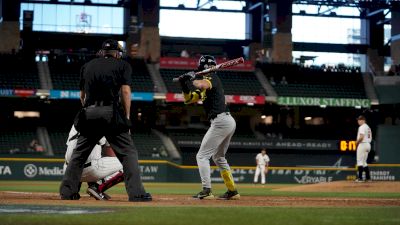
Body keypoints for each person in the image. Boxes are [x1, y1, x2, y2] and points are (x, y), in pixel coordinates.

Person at [59, 39, 151, 201]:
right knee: (128, 153)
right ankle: (137, 194)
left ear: (102, 52)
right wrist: (127, 116)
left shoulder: (87, 66)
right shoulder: (123, 65)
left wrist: (88, 110)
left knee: (79, 155)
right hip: (110, 113)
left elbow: (82, 96)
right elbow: (126, 92)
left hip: (89, 113)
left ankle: (67, 192)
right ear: (116, 53)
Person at [177, 55, 240, 200]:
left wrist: (192, 78)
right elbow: (189, 99)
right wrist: (183, 84)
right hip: (226, 121)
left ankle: (206, 190)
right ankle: (232, 190)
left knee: (202, 156)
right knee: (219, 157)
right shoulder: (207, 81)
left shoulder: (212, 78)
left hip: (221, 121)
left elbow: (202, 84)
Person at [63, 125, 124, 200]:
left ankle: (72, 189)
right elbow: (110, 155)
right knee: (127, 164)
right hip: (89, 170)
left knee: (81, 154)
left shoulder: (76, 123)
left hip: (68, 170)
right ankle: (96, 187)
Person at [355, 115, 372, 182]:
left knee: (359, 161)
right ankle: (368, 178)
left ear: (363, 120)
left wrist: (357, 142)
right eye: (358, 120)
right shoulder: (368, 127)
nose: (358, 121)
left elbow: (361, 137)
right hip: (368, 145)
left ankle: (360, 178)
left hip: (363, 144)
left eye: (359, 120)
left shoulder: (362, 127)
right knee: (364, 162)